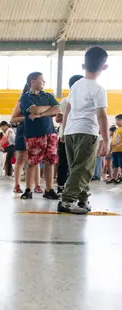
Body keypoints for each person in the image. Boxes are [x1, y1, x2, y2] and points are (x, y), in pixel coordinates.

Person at [58, 47, 110, 214]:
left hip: (71, 130)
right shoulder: (98, 88)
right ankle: (67, 201)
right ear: (104, 67)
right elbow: (102, 116)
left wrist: (64, 130)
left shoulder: (76, 85)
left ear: (83, 65)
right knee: (83, 168)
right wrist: (106, 140)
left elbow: (68, 110)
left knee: (77, 167)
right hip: (87, 131)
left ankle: (83, 199)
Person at [18, 72, 61, 200]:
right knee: (33, 162)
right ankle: (28, 189)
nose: (44, 82)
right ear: (32, 81)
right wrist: (48, 108)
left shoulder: (48, 95)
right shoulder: (26, 97)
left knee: (50, 161)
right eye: (41, 80)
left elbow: (58, 108)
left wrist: (41, 114)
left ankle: (49, 189)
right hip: (34, 134)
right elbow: (34, 110)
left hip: (50, 132)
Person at [55, 74, 83, 193]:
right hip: (68, 135)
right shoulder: (66, 101)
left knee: (65, 163)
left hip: (67, 134)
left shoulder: (65, 100)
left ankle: (62, 187)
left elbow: (58, 119)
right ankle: (66, 187)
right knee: (74, 163)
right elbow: (58, 119)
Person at [108, 115, 122, 184]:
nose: (116, 122)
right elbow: (113, 140)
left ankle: (120, 177)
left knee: (121, 165)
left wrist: (118, 145)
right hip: (115, 151)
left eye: (118, 120)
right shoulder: (116, 129)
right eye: (116, 120)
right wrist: (111, 150)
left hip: (121, 151)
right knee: (115, 165)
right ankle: (114, 178)